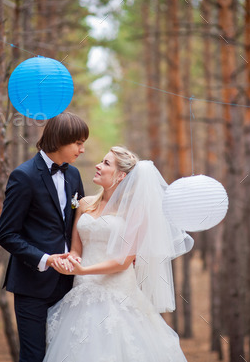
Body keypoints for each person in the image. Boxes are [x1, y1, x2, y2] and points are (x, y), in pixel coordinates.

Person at [43, 146, 193, 362]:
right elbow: (77, 248)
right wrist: (72, 260)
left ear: (121, 175)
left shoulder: (135, 211)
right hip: (81, 291)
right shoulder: (84, 204)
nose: (97, 165)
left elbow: (124, 261)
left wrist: (84, 269)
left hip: (117, 293)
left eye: (105, 163)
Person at [0, 112, 88, 362]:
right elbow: (6, 234)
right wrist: (46, 259)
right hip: (32, 286)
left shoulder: (74, 175)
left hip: (70, 283)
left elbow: (82, 225)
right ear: (59, 140)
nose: (82, 149)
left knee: (67, 353)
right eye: (78, 143)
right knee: (34, 356)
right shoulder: (23, 176)